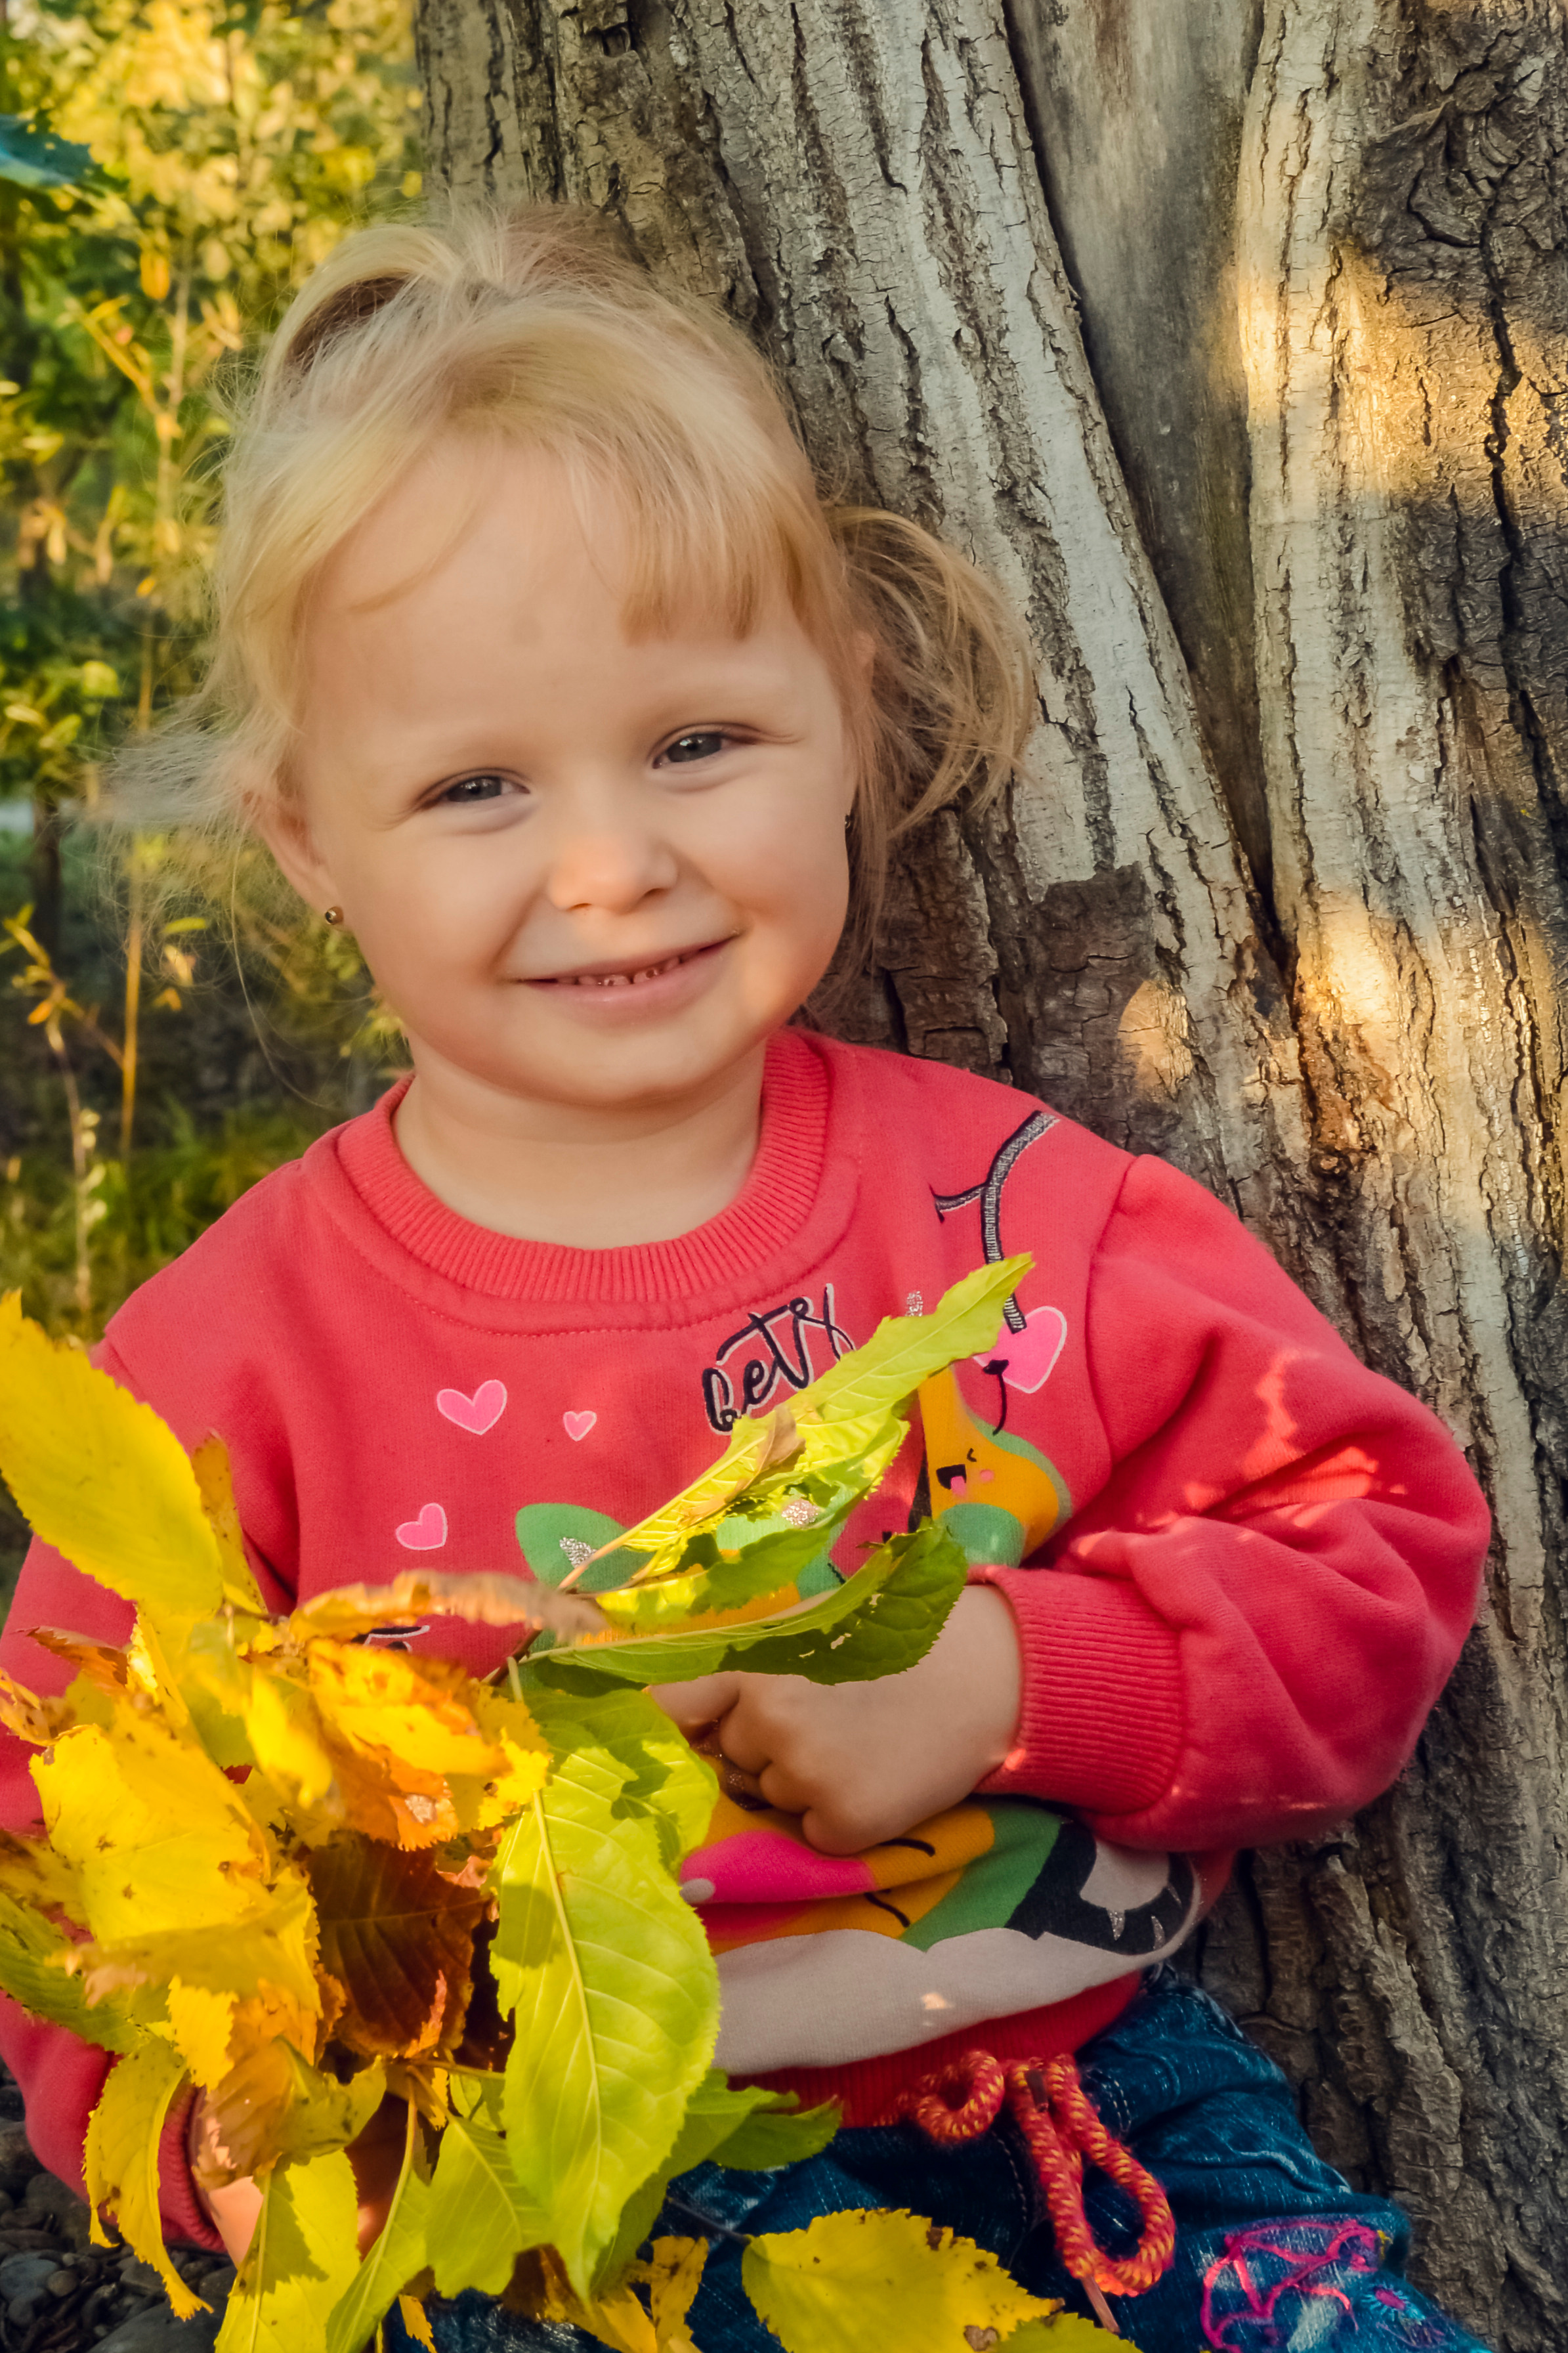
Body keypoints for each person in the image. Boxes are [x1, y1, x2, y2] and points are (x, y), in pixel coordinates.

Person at [0, 207, 1493, 2353]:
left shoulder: (1015, 1225)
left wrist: (1005, 1682)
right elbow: (72, 1839)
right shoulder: (220, 1362)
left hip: (1061, 2124)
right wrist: (201, 2144)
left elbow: (1378, 1555)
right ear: (312, 837)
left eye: (698, 742)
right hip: (517, 2221)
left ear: (850, 713)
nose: (612, 862)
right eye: (477, 787)